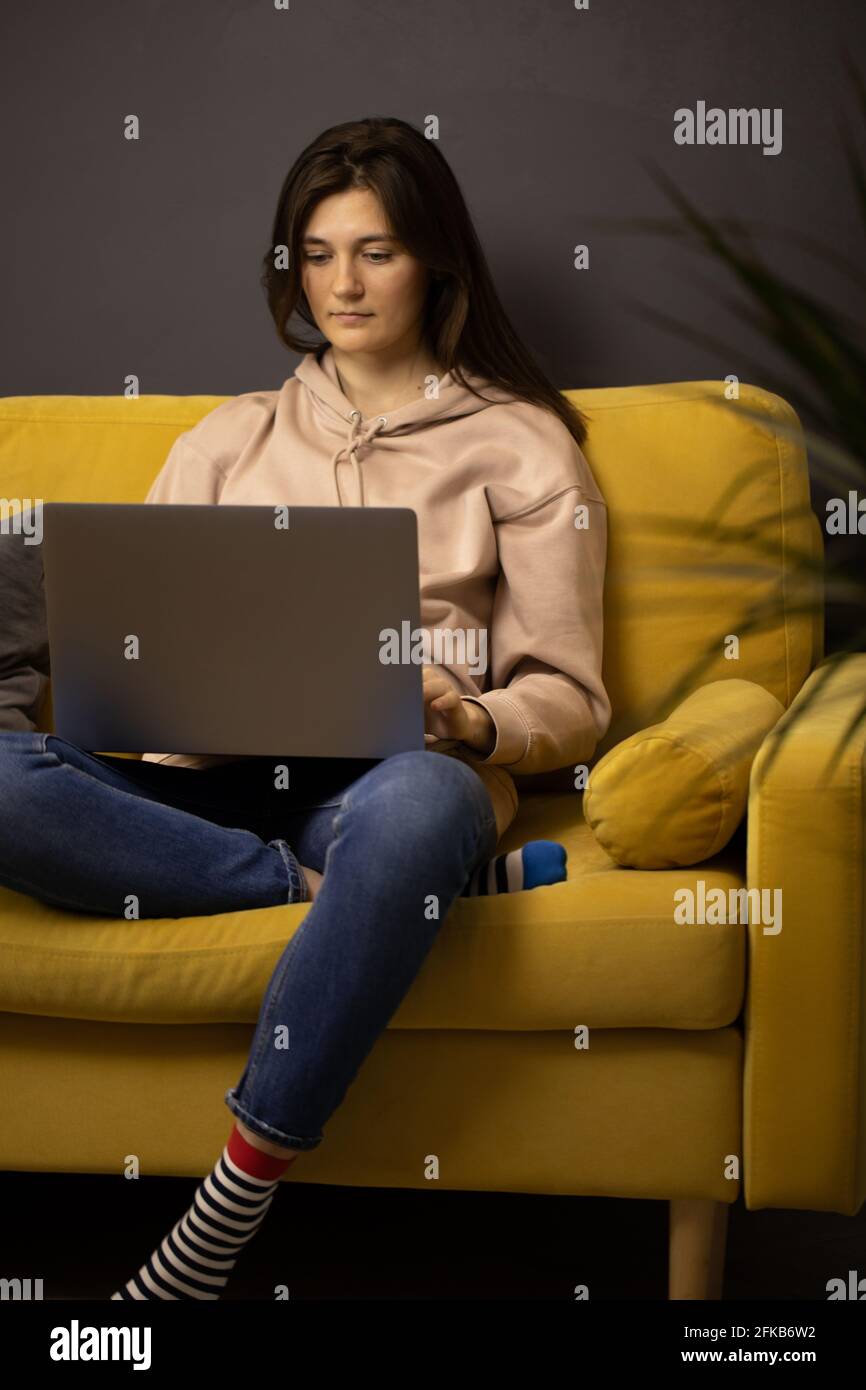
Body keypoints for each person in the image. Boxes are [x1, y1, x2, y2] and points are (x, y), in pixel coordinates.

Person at [0, 115, 611, 1299]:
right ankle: (318, 895)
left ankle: (223, 1212)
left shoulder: (523, 446)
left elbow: (571, 697)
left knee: (423, 804)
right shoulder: (226, 439)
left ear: (435, 259)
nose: (341, 282)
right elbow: (132, 651)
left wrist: (469, 719)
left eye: (375, 251)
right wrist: (146, 678)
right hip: (198, 777)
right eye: (316, 254)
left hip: (390, 776)